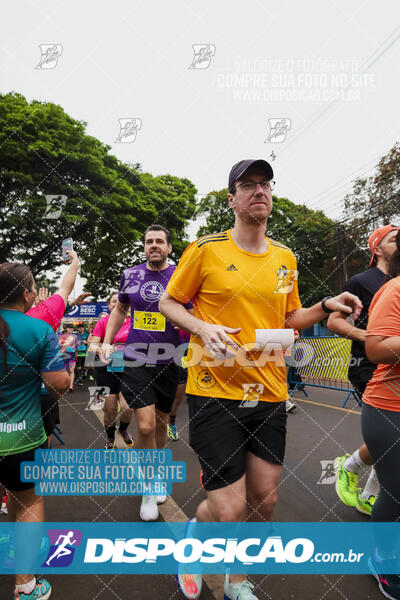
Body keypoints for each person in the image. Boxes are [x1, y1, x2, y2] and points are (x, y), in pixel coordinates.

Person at [159, 159, 362, 600]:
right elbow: (169, 302)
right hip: (214, 392)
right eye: (247, 185)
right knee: (228, 507)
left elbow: (290, 317)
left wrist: (326, 305)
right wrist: (201, 328)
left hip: (269, 392)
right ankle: (194, 543)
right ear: (231, 199)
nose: (259, 191)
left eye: (265, 184)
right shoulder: (206, 249)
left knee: (264, 500)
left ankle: (235, 578)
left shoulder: (285, 256)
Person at [102, 225, 189, 521]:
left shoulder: (181, 274)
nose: (154, 245)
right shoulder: (131, 275)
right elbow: (120, 311)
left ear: (169, 248)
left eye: (159, 241)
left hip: (171, 359)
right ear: (144, 247)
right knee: (147, 426)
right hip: (137, 358)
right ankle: (148, 489)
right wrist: (105, 341)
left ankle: (158, 473)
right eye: (149, 241)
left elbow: (198, 310)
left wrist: (188, 325)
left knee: (162, 424)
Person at [0, 262, 69, 600]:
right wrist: (42, 391)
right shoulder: (39, 330)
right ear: (27, 294)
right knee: (28, 500)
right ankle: (26, 586)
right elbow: (59, 384)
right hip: (23, 436)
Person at [328, 225, 399, 516]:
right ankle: (354, 469)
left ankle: (372, 493)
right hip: (369, 365)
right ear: (377, 249)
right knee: (390, 433)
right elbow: (333, 321)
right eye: (393, 239)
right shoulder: (362, 280)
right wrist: (367, 337)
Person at [361, 228, 400, 599]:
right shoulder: (394, 288)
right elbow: (376, 347)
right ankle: (383, 559)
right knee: (397, 490)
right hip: (389, 407)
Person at [88, 292, 134, 449]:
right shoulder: (103, 322)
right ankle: (110, 436)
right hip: (106, 369)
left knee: (128, 408)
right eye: (113, 301)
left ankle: (123, 429)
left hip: (128, 370)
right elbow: (91, 345)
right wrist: (101, 349)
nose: (117, 304)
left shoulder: (133, 322)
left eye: (120, 301)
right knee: (110, 409)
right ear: (109, 306)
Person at [58, 324, 78, 392]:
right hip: (64, 355)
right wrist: (64, 346)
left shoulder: (75, 336)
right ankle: (65, 384)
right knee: (65, 371)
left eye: (72, 328)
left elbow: (77, 345)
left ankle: (71, 385)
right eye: (69, 328)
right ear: (66, 329)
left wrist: (75, 348)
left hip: (72, 355)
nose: (71, 329)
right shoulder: (62, 336)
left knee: (71, 370)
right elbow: (58, 345)